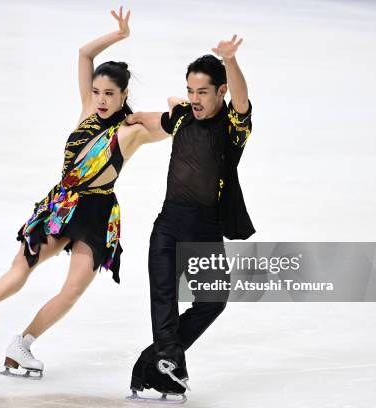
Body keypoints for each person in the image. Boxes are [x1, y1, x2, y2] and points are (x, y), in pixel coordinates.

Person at [0, 7, 162, 378]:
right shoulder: (87, 112)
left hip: (96, 213)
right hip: (61, 202)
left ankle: (23, 344)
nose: (100, 98)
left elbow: (171, 126)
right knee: (24, 262)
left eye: (109, 94)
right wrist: (120, 35)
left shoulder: (132, 131)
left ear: (123, 94)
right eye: (96, 91)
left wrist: (168, 112)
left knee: (73, 289)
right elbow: (84, 54)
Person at [125, 35, 255, 397]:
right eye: (190, 91)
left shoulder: (232, 128)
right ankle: (166, 363)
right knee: (163, 299)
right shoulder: (182, 116)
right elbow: (156, 116)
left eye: (202, 92)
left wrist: (230, 60)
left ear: (220, 92)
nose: (194, 99)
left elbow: (242, 101)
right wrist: (126, 115)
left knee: (213, 300)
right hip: (169, 223)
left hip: (205, 227)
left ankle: (149, 363)